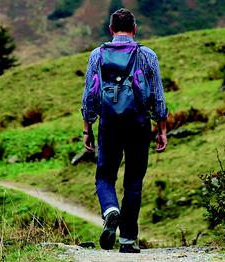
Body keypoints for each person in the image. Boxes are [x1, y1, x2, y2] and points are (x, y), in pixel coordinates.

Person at [81, 8, 168, 253]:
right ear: (135, 28)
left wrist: (88, 128)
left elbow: (89, 94)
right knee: (133, 182)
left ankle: (110, 210)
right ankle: (128, 240)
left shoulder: (97, 55)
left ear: (110, 30)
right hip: (139, 124)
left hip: (109, 124)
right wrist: (162, 129)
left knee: (104, 175)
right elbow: (158, 97)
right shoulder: (147, 55)